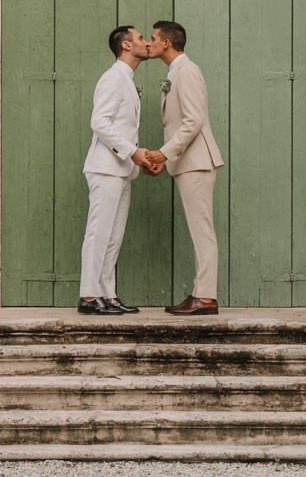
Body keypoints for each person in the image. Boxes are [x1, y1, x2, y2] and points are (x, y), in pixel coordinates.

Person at [135, 19, 222, 315]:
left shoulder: (188, 71)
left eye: (152, 38)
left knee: (202, 229)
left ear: (166, 43)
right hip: (186, 162)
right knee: (199, 229)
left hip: (197, 162)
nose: (148, 42)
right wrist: (168, 159)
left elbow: (194, 121)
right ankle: (202, 293)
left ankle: (206, 297)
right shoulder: (176, 71)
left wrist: (163, 152)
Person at [79, 25, 150, 314]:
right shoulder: (112, 78)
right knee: (99, 232)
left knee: (114, 234)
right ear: (126, 46)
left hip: (121, 169)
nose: (146, 43)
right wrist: (133, 151)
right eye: (141, 38)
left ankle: (107, 293)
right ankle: (88, 296)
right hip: (106, 168)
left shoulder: (127, 79)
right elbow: (100, 122)